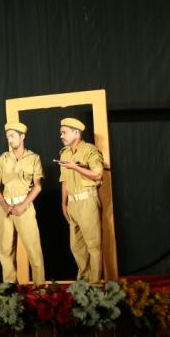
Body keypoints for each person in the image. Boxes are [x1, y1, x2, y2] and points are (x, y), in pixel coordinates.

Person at [0, 122, 46, 283]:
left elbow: (38, 186)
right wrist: (3, 204)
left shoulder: (34, 158)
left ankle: (40, 286)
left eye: (12, 136)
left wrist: (23, 205)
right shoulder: (3, 158)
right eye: (7, 136)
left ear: (22, 136)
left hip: (25, 207)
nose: (9, 139)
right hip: (5, 207)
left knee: (33, 248)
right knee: (5, 249)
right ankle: (9, 286)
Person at [57, 118, 105, 282]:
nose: (61, 136)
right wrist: (63, 203)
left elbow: (97, 174)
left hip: (87, 202)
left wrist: (75, 166)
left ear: (76, 133)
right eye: (61, 133)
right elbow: (64, 180)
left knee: (93, 245)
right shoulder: (64, 153)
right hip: (72, 203)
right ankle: (83, 281)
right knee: (76, 246)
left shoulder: (90, 150)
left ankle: (94, 284)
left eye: (64, 132)